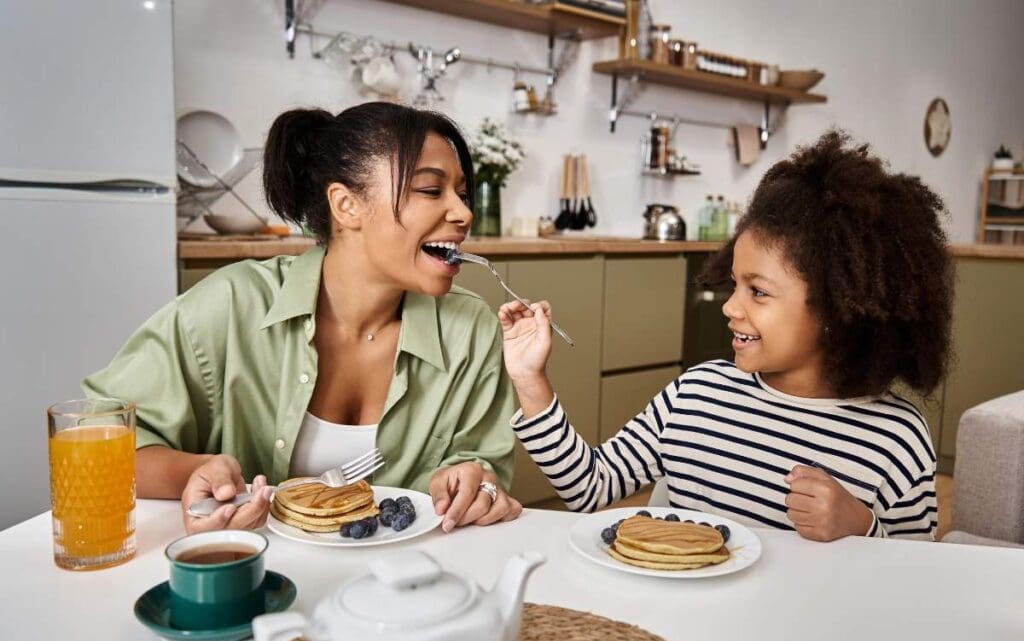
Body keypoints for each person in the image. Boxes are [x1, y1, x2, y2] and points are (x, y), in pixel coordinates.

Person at [84, 102, 522, 534]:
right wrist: (196, 471)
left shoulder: (472, 330)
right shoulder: (234, 305)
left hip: (406, 587)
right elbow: (95, 442)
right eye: (431, 190)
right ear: (346, 205)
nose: (464, 214)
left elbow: (483, 467)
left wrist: (473, 484)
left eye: (462, 194)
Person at [500, 131, 950, 541]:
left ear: (838, 305)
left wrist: (863, 528)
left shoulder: (896, 437)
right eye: (733, 284)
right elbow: (589, 487)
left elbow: (914, 578)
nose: (730, 307)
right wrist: (530, 381)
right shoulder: (696, 394)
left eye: (758, 291)